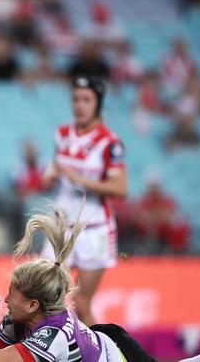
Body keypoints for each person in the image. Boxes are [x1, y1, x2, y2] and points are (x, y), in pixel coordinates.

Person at [0, 208, 200, 362]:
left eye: (12, 296)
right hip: (106, 341)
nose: (5, 301)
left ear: (34, 304)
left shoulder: (54, 334)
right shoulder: (19, 320)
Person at [41, 76, 128, 326]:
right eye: (76, 99)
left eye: (86, 100)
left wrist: (77, 177)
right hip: (61, 230)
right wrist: (50, 176)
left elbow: (120, 189)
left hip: (94, 231)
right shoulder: (62, 134)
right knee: (45, 295)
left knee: (82, 303)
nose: (79, 105)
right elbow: (52, 172)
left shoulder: (110, 143)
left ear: (98, 104)